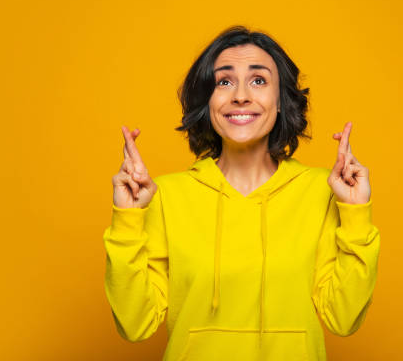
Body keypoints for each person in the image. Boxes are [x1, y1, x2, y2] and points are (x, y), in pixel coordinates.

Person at [103, 25, 380, 361]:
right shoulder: (165, 195)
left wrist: (355, 213)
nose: (241, 95)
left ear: (281, 102)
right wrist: (128, 220)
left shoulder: (322, 190)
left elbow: (344, 318)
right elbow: (135, 325)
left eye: (259, 80)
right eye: (224, 81)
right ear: (208, 101)